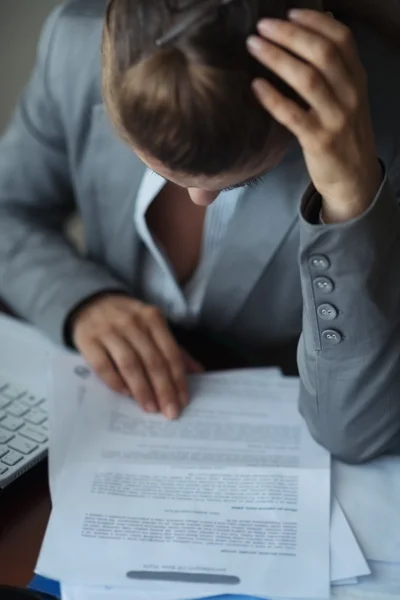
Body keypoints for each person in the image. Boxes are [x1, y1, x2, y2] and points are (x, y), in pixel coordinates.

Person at [0, 0, 399, 463]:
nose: (199, 199)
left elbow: (355, 431)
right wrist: (81, 301)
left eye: (243, 181)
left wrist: (350, 198)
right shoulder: (72, 45)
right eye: (155, 163)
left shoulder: (386, 126)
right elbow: (8, 208)